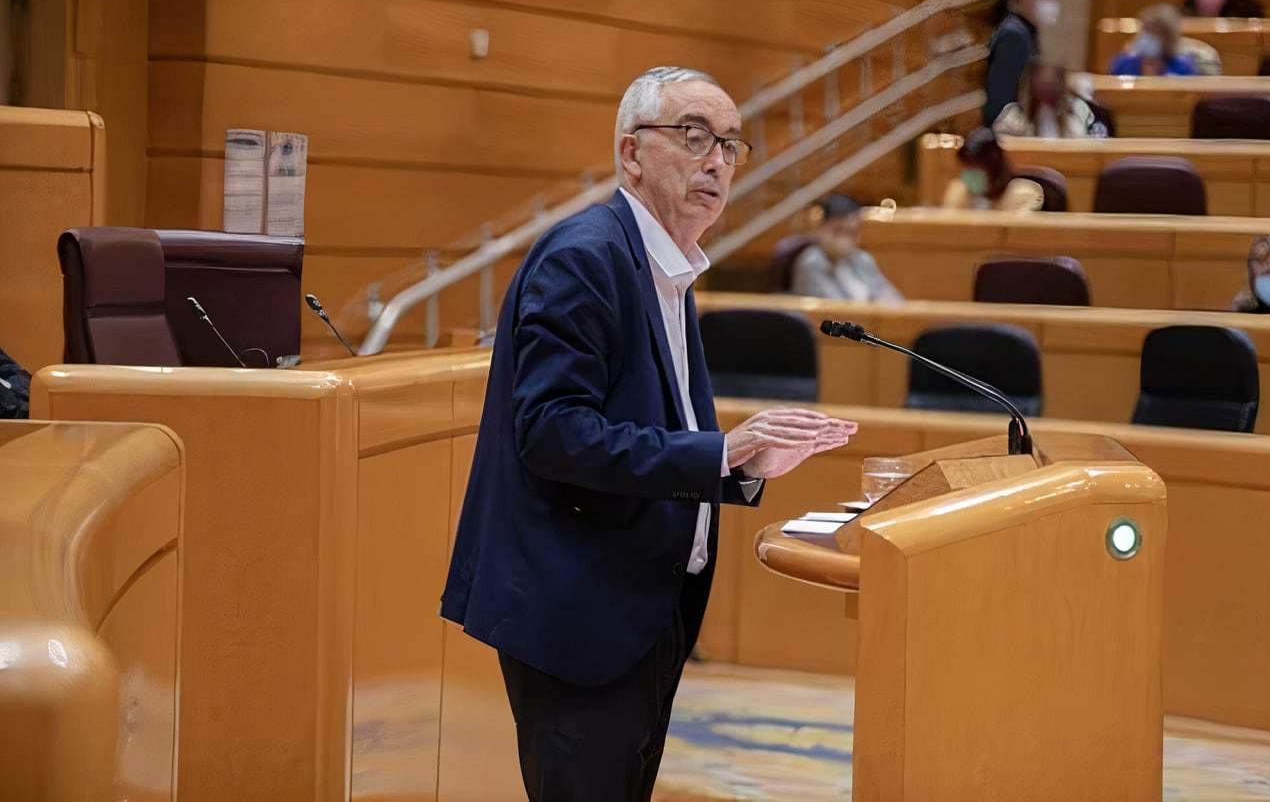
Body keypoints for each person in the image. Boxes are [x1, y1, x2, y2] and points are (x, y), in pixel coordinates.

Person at [441, 65, 858, 801]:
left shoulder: (665, 267)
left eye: (730, 144)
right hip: (577, 615)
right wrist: (720, 450)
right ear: (632, 154)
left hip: (642, 609)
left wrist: (743, 464)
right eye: (694, 136)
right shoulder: (585, 259)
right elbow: (552, 432)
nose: (717, 161)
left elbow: (651, 430)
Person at [790, 194, 904, 302]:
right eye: (838, 231)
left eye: (851, 232)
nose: (843, 240)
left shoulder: (861, 258)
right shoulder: (812, 262)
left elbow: (892, 299)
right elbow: (835, 310)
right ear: (821, 229)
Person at [983, 0, 1060, 125]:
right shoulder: (1014, 35)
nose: (1049, 5)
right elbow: (1000, 101)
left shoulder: (1028, 31)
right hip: (1006, 134)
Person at [941, 127, 1043, 212]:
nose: (969, 173)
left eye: (975, 167)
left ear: (994, 167)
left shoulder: (1023, 195)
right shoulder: (958, 192)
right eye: (967, 167)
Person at [994, 62, 1107, 138]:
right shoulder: (1013, 113)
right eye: (1041, 81)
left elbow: (1083, 143)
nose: (1047, 86)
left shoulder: (1078, 110)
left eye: (1053, 81)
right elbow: (1001, 139)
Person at [1108, 4, 1196, 76]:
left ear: (1168, 38)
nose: (1146, 39)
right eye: (1145, 32)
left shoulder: (1182, 65)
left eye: (1155, 35)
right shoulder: (1124, 62)